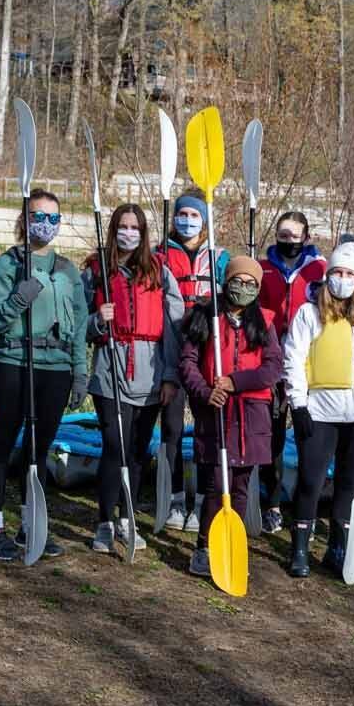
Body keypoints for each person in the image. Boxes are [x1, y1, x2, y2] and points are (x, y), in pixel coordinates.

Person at [0, 188, 89, 561]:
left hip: (55, 370)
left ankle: (30, 524)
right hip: (15, 363)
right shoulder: (6, 267)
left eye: (53, 218)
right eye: (39, 216)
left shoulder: (68, 271)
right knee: (1, 445)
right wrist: (17, 300)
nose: (46, 224)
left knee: (38, 450)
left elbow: (80, 324)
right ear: (25, 221)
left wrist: (79, 372)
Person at [283, 241, 354, 577]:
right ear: (328, 275)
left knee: (348, 482)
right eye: (337, 273)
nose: (342, 279)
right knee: (311, 481)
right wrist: (298, 405)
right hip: (318, 412)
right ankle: (300, 547)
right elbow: (293, 359)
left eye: (349, 274)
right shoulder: (309, 312)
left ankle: (337, 545)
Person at [83, 203, 184, 554]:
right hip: (110, 369)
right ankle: (104, 522)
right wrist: (98, 319)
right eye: (123, 226)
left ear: (143, 233)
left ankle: (127, 518)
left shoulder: (160, 271)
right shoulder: (96, 270)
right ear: (113, 229)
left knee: (138, 450)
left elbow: (174, 328)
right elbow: (76, 326)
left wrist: (171, 375)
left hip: (152, 372)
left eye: (135, 227)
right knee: (116, 446)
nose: (128, 232)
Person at [179, 256, 285, 577]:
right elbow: (187, 363)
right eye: (239, 280)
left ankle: (230, 543)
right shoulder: (204, 316)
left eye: (252, 283)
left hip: (251, 415)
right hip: (216, 412)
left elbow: (272, 368)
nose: (244, 287)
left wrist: (236, 381)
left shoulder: (264, 322)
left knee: (239, 485)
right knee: (215, 483)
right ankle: (204, 546)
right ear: (227, 281)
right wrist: (205, 391)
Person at [155, 192, 231, 532]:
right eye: (182, 214)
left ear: (205, 220)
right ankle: (172, 500)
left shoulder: (219, 257)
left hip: (204, 350)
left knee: (205, 430)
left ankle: (201, 502)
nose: (186, 220)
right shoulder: (159, 254)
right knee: (171, 427)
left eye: (194, 215)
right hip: (170, 346)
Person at [256, 210, 325, 535]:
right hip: (271, 362)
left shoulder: (319, 270)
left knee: (309, 436)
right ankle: (271, 502)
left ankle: (304, 510)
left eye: (294, 235)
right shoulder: (264, 267)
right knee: (273, 437)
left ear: (305, 237)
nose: (288, 240)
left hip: (308, 365)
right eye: (283, 234)